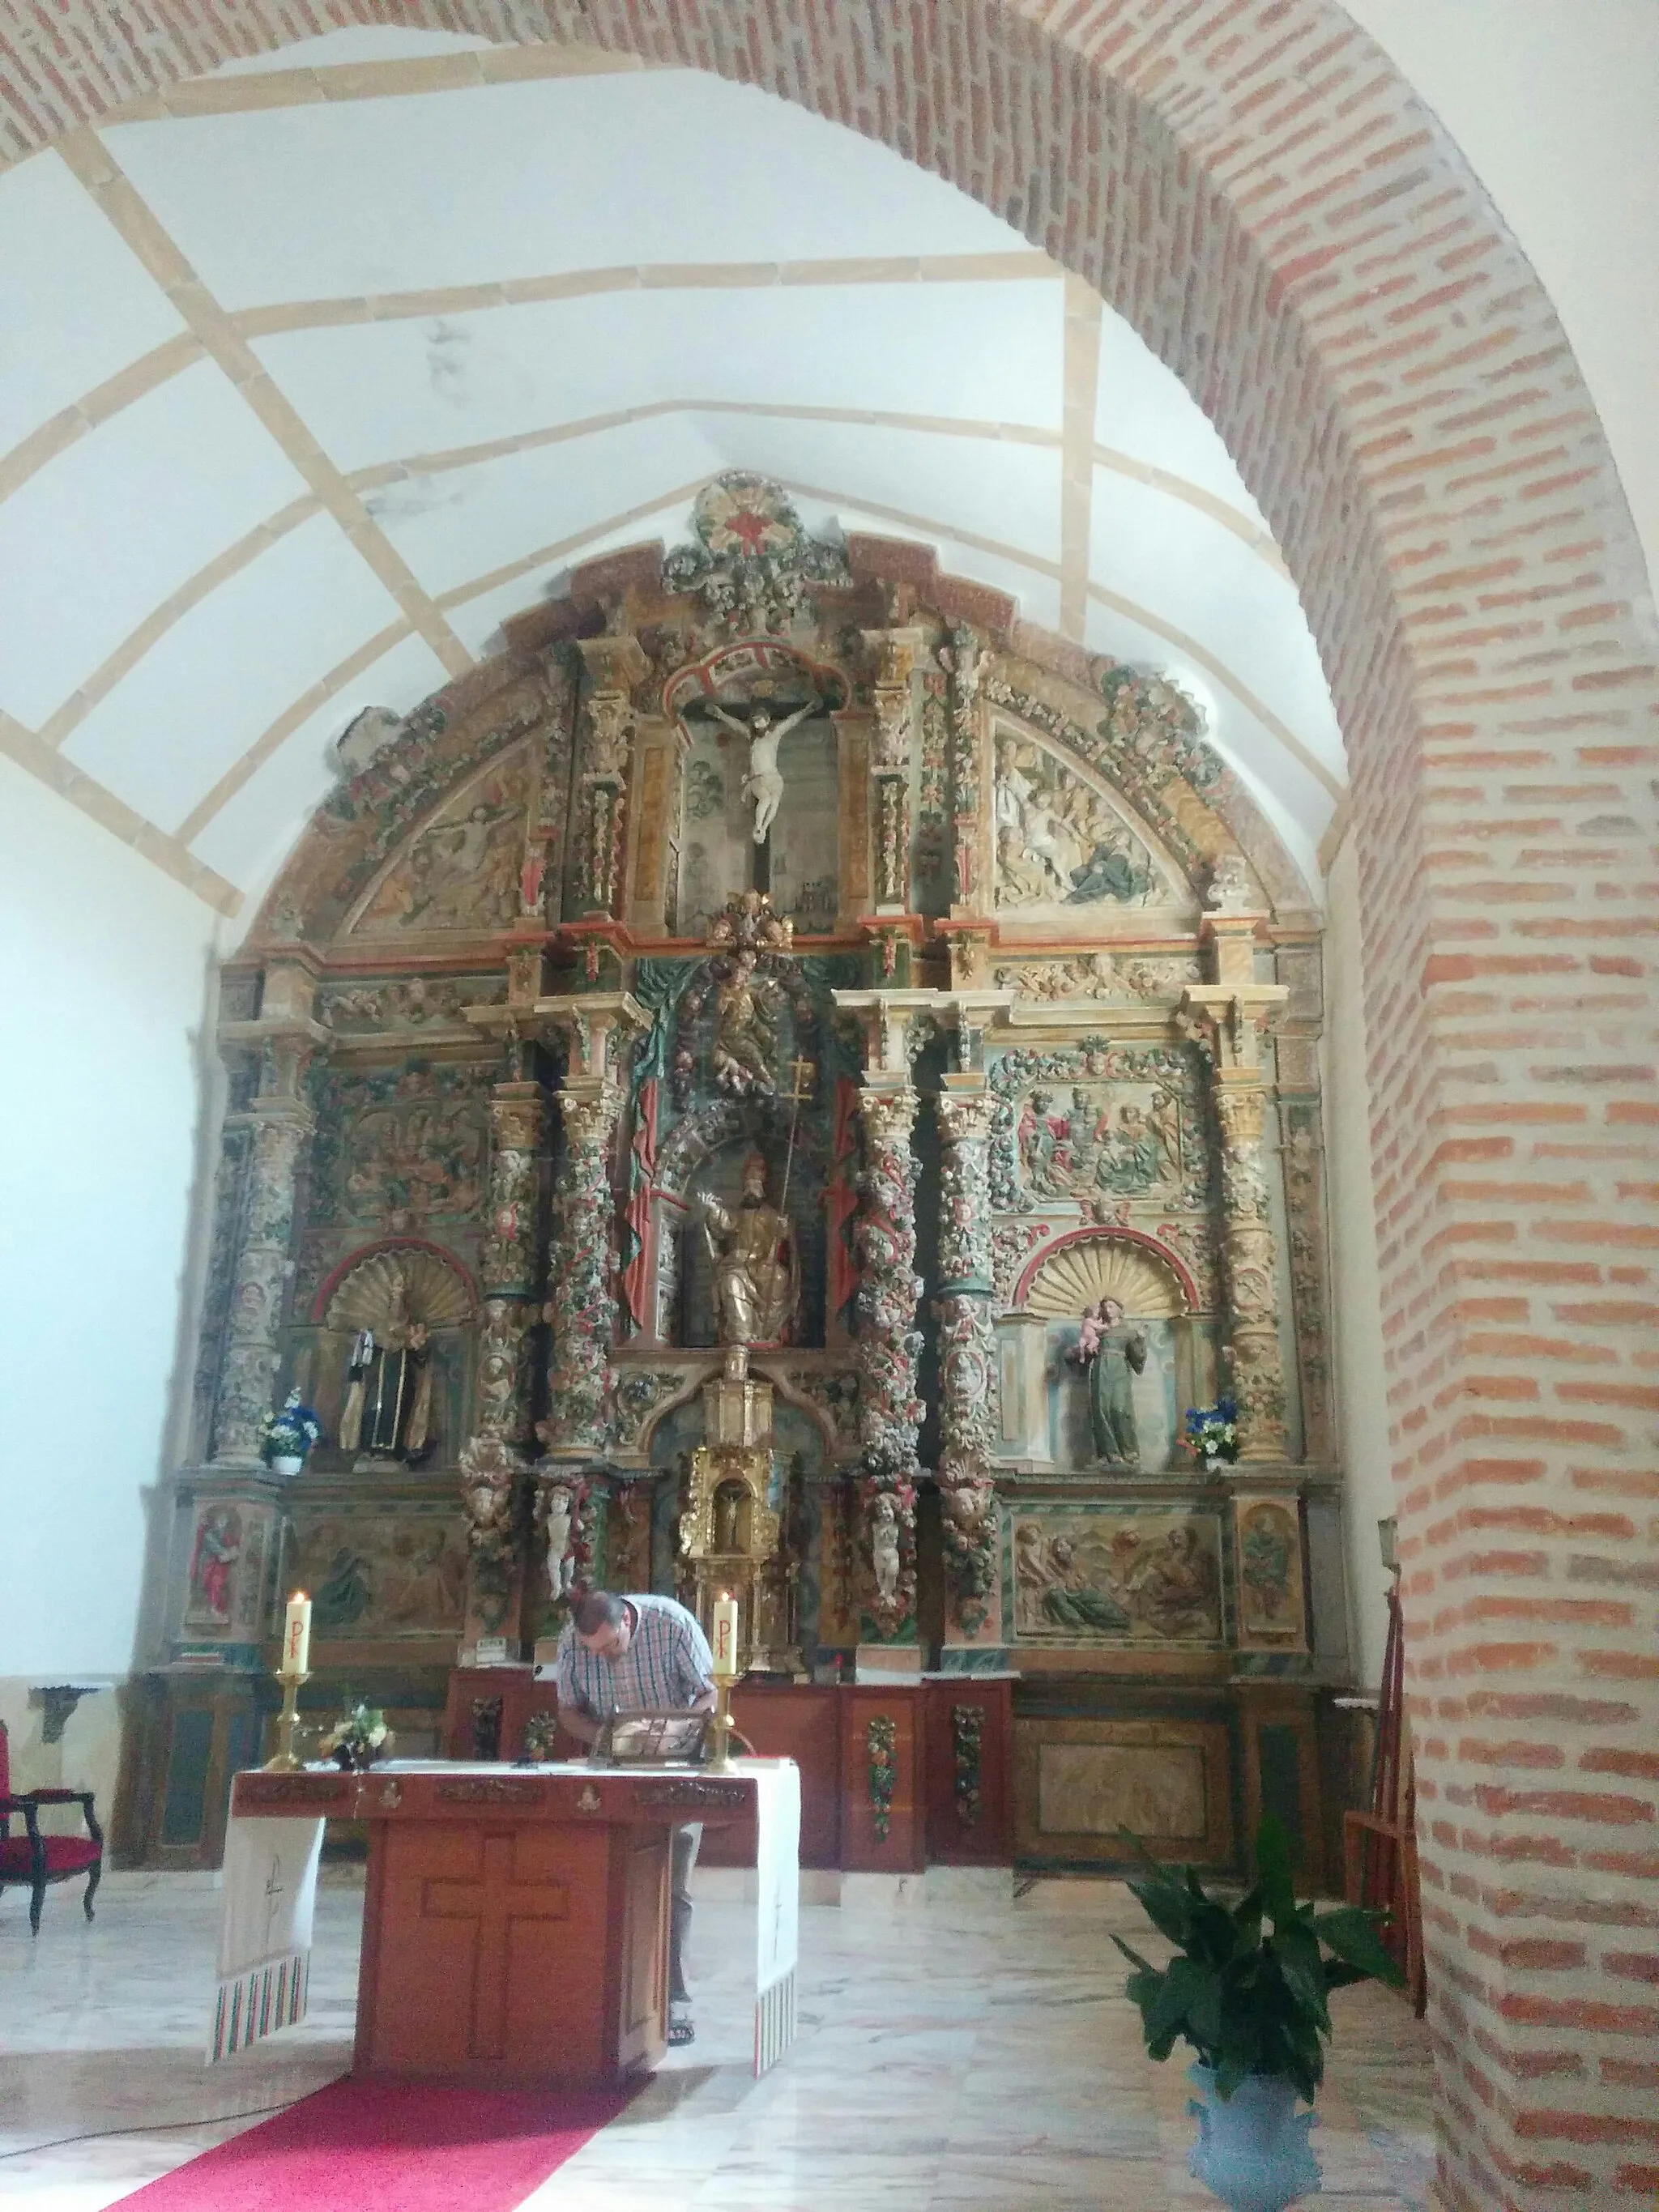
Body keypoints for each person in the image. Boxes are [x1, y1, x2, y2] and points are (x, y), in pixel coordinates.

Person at [553, 1588, 718, 2048]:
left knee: (674, 1888)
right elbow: (568, 1709)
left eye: (610, 1647)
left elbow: (711, 1693)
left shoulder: (674, 1625)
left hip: (676, 1770)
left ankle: (675, 2004)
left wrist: (671, 1734)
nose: (603, 1658)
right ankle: (601, 2003)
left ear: (626, 1621)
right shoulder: (572, 1641)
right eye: (594, 1651)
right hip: (611, 1774)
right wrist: (606, 1739)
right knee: (601, 1880)